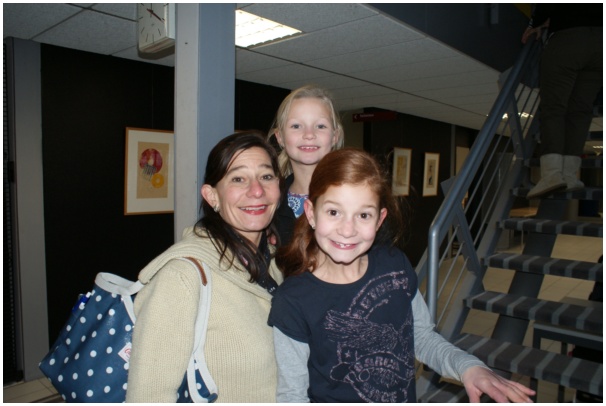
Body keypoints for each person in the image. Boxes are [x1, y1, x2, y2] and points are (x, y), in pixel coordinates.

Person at [268, 148, 536, 403]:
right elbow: (292, 396)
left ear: (379, 219)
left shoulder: (394, 264)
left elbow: (422, 337)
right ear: (311, 214)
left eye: (363, 215)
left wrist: (468, 367)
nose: (347, 230)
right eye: (334, 212)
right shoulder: (293, 300)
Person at [126, 131, 283, 402]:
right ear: (212, 196)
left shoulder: (274, 262)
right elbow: (148, 396)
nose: (257, 190)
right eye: (238, 179)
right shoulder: (182, 278)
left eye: (266, 176)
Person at [521, 4, 602, 199]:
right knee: (580, 111)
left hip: (568, 38)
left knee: (554, 107)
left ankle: (552, 175)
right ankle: (570, 176)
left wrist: (535, 23)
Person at [268, 84, 344, 246]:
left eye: (320, 126)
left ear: (335, 136)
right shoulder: (268, 202)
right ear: (280, 137)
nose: (309, 134)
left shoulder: (358, 195)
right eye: (296, 126)